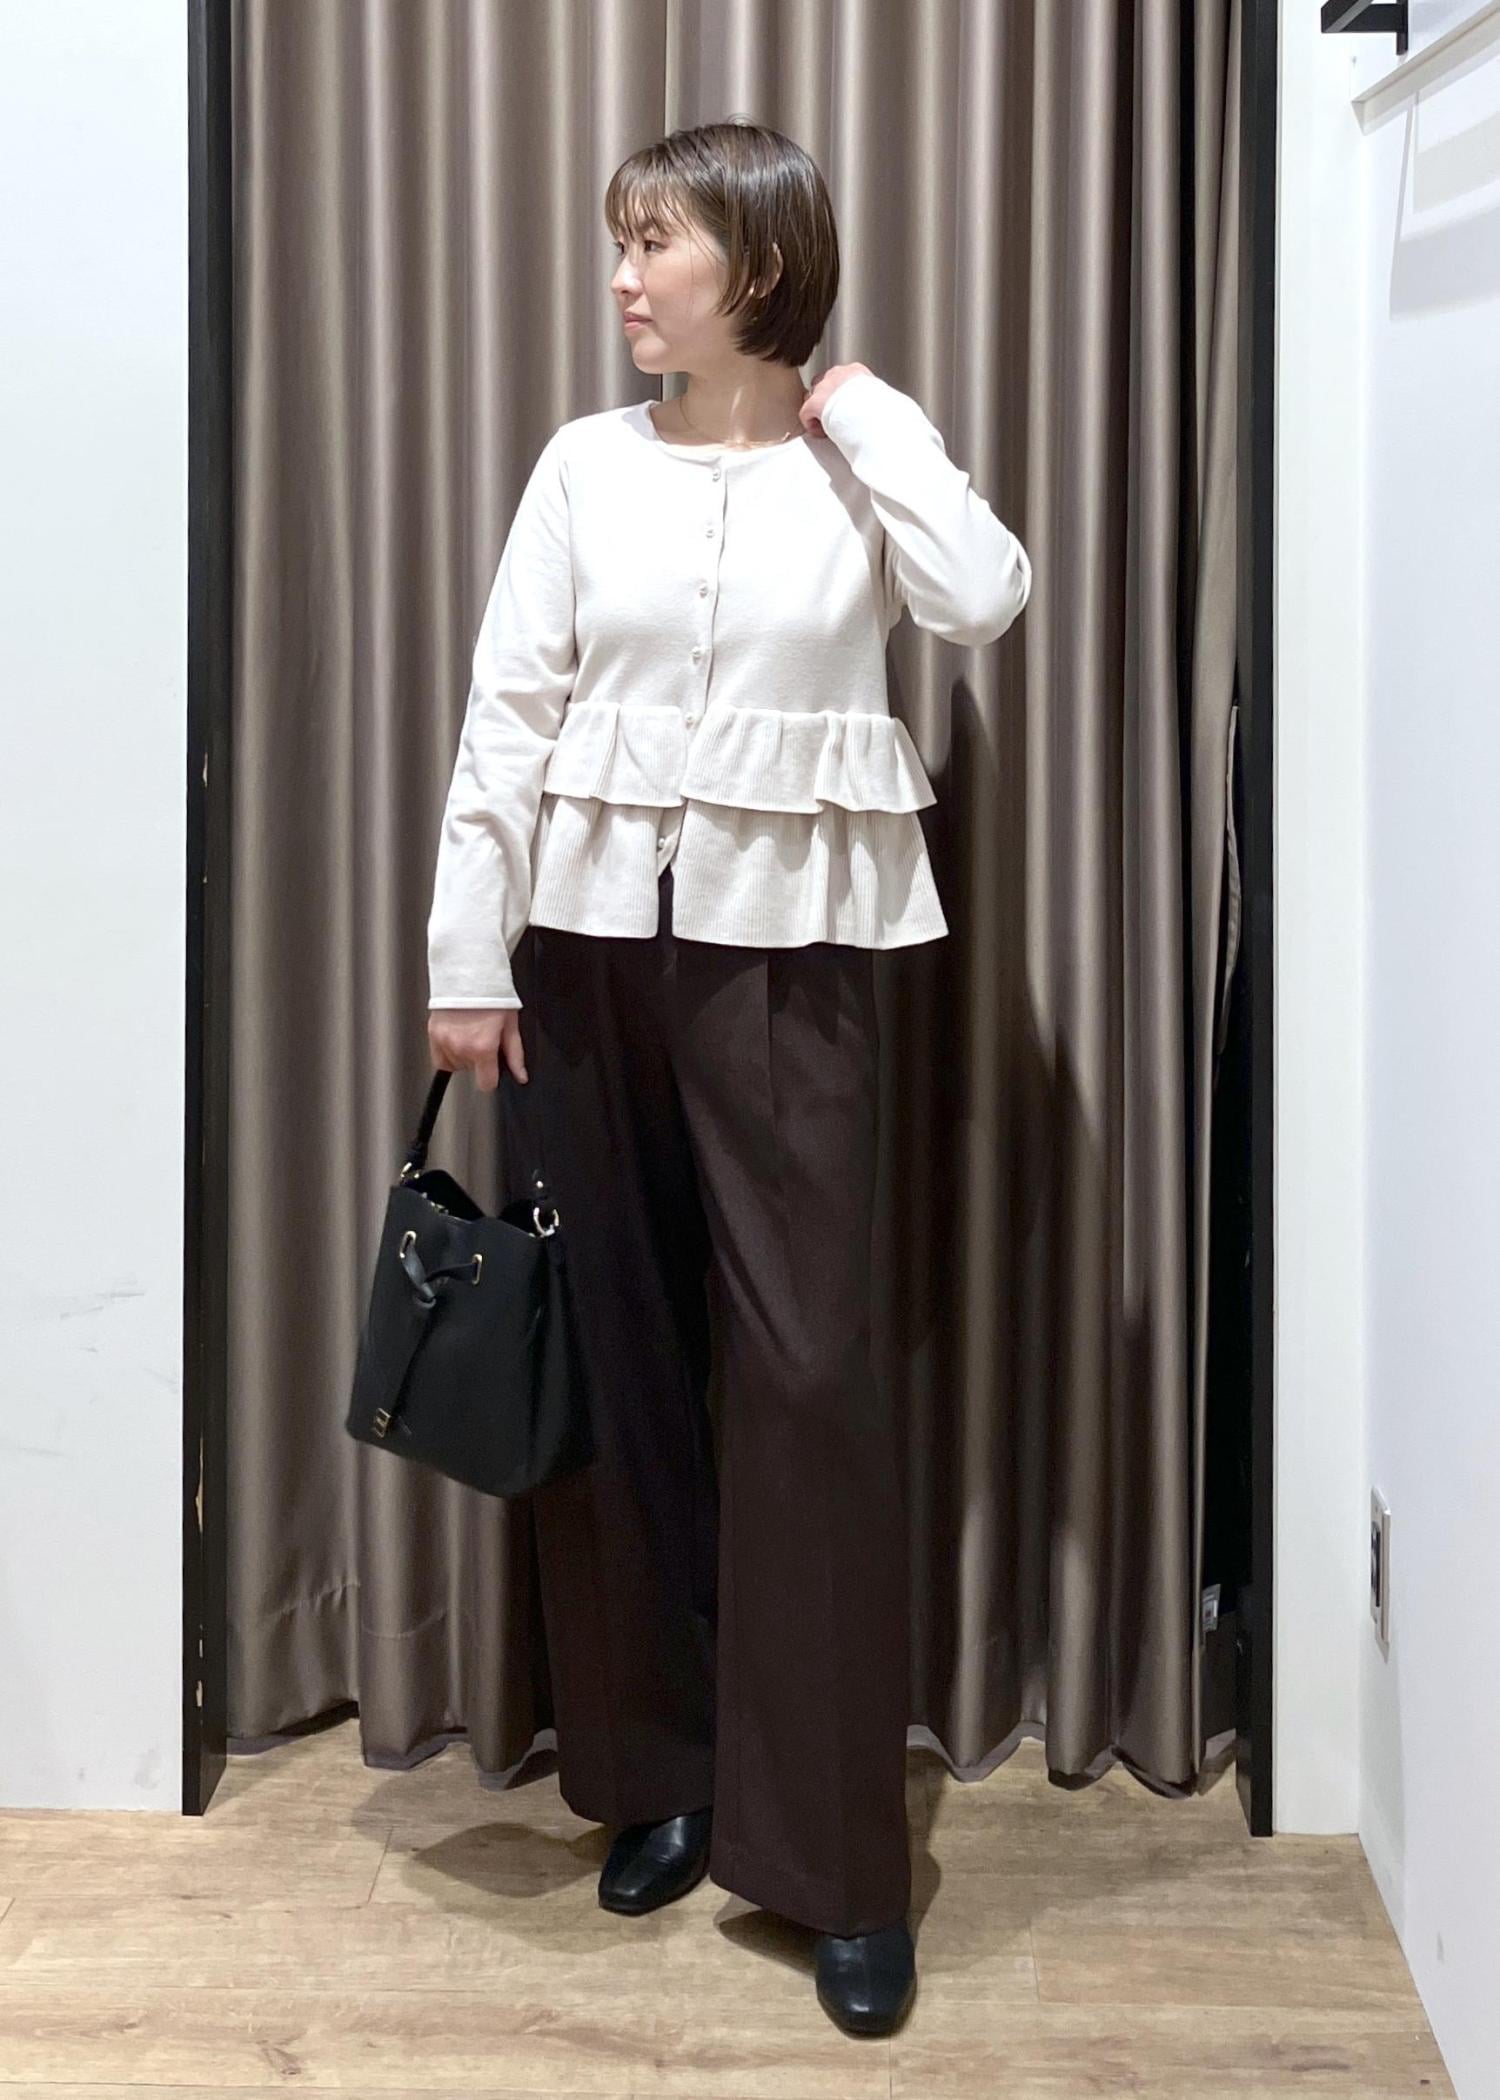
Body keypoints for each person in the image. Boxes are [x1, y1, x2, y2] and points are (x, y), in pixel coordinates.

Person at [425, 118, 1031, 2037]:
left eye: (656, 244)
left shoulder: (858, 459)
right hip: (584, 946)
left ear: (755, 268)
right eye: (621, 243)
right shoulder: (581, 466)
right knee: (620, 1350)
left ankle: (836, 1859)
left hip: (794, 951)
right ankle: (661, 1775)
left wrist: (870, 416)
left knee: (809, 1374)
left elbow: (983, 597)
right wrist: (465, 955)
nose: (622, 278)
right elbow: (509, 708)